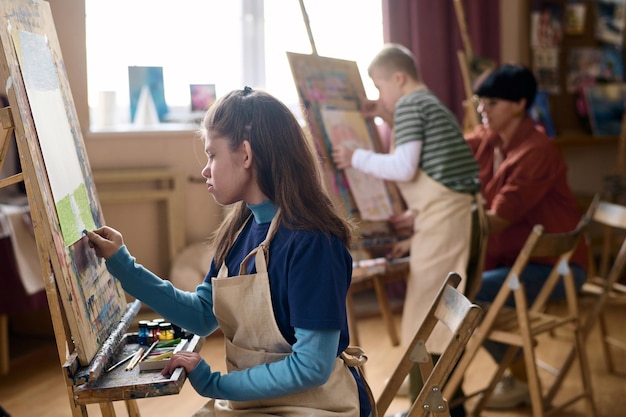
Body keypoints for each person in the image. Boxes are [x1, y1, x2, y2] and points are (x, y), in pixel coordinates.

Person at [86, 87, 373, 417]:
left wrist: (217, 385)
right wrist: (123, 265)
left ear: (246, 155)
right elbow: (202, 316)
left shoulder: (313, 243)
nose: (205, 169)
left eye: (212, 155)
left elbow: (311, 367)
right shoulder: (238, 229)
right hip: (255, 403)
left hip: (317, 408)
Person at [332, 43, 480, 417]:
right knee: (437, 316)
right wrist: (384, 114)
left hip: (445, 219)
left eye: (381, 88)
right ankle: (441, 403)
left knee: (428, 320)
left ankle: (429, 407)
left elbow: (404, 167)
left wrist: (355, 157)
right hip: (448, 215)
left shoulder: (414, 104)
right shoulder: (426, 104)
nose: (380, 97)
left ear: (399, 78)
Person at [465, 64, 589, 409]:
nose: (482, 108)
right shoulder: (491, 141)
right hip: (517, 264)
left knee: (464, 294)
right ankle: (505, 376)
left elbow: (498, 220)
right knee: (461, 291)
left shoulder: (537, 151)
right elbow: (447, 150)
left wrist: (447, 218)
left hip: (556, 270)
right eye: (480, 101)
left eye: (492, 102)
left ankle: (514, 378)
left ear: (519, 104)